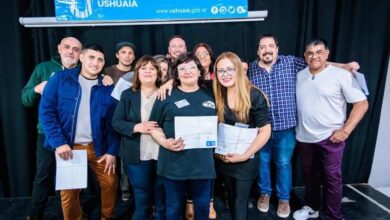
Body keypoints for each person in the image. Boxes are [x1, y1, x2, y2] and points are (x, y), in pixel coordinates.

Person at [248, 34, 360, 218]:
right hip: (261, 128)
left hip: (287, 128)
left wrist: (344, 66)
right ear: (258, 51)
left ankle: (284, 199)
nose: (267, 50)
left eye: (270, 46)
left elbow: (319, 63)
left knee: (283, 163)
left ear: (277, 48)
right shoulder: (250, 69)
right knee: (262, 163)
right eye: (262, 47)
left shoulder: (291, 63)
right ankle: (264, 194)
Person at [39, 43, 119, 220]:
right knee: (69, 193)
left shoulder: (107, 87)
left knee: (110, 184)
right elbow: (46, 112)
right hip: (70, 148)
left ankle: (107, 217)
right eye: (91, 57)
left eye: (100, 60)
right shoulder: (61, 79)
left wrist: (112, 151)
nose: (95, 63)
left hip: (99, 148)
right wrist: (59, 143)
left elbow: (113, 123)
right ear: (81, 58)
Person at [293, 39, 368, 220]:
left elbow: (361, 103)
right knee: (309, 176)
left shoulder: (341, 75)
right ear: (305, 56)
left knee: (332, 179)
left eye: (319, 52)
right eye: (310, 53)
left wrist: (345, 131)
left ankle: (334, 216)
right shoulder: (300, 75)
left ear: (327, 53)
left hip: (330, 138)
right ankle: (312, 207)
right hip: (304, 137)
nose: (314, 56)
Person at [21, 36, 82, 220]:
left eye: (76, 49)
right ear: (59, 48)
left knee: (73, 180)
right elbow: (25, 100)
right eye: (67, 47)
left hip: (75, 136)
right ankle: (34, 214)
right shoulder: (44, 69)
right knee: (43, 177)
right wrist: (36, 90)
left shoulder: (84, 71)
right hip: (47, 135)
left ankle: (73, 214)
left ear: (81, 53)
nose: (71, 52)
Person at [151, 53, 216, 220]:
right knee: (173, 207)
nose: (187, 72)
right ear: (176, 73)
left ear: (200, 71)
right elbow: (153, 126)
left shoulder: (212, 93)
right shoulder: (165, 95)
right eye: (182, 68)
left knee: (202, 207)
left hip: (203, 165)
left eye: (192, 67)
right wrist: (164, 142)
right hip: (173, 164)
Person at [213, 52, 271, 220]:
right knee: (230, 199)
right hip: (225, 158)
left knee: (240, 203)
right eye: (220, 70)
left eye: (230, 69)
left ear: (239, 70)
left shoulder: (254, 95)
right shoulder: (217, 93)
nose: (225, 75)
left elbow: (265, 131)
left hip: (245, 159)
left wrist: (245, 155)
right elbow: (189, 80)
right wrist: (170, 82)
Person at [112, 56, 165, 220]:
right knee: (141, 194)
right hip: (136, 153)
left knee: (162, 193)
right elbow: (116, 122)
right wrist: (137, 127)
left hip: (163, 153)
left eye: (152, 68)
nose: (148, 71)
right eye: (143, 68)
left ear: (158, 73)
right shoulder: (128, 95)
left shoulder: (167, 93)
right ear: (137, 73)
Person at [103, 41, 136, 202]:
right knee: (110, 155)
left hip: (128, 120)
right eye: (123, 52)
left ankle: (125, 188)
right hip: (109, 119)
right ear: (117, 55)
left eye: (130, 53)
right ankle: (111, 190)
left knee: (125, 157)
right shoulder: (107, 71)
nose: (127, 55)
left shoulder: (138, 73)